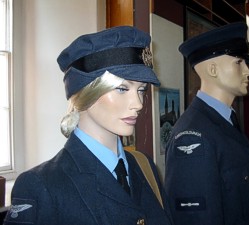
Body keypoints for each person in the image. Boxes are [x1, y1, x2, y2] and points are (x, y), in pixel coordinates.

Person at [4, 26, 173, 225]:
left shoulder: (144, 166)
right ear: (87, 93)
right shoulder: (41, 186)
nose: (138, 104)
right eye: (121, 89)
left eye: (141, 90)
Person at [164, 22, 249, 225]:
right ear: (212, 69)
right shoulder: (192, 137)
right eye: (238, 63)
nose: (248, 72)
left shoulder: (225, 120)